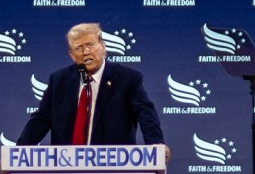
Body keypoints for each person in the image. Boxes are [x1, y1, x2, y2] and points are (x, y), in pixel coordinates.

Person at [15, 22, 164, 147]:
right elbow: (41, 119)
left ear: (103, 47)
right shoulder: (59, 80)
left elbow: (145, 112)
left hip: (114, 169)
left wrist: (156, 144)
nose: (86, 52)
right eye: (79, 48)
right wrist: (17, 152)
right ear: (72, 55)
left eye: (90, 45)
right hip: (66, 168)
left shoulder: (127, 78)